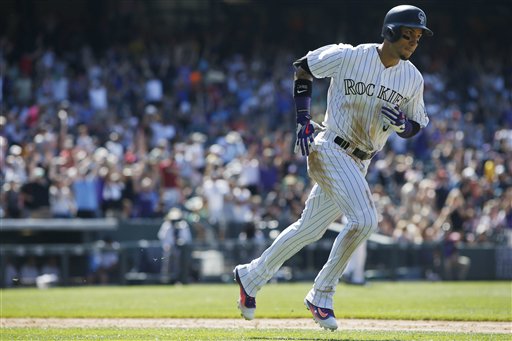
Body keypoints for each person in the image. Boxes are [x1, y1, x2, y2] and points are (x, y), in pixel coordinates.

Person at [234, 5, 433, 331]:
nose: (413, 41)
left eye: (418, 36)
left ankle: (251, 275)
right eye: (408, 34)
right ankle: (321, 294)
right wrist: (302, 119)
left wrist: (403, 125)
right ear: (390, 32)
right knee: (366, 220)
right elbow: (303, 68)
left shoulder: (412, 78)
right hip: (330, 147)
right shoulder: (349, 56)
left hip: (361, 160)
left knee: (308, 229)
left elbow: (417, 125)